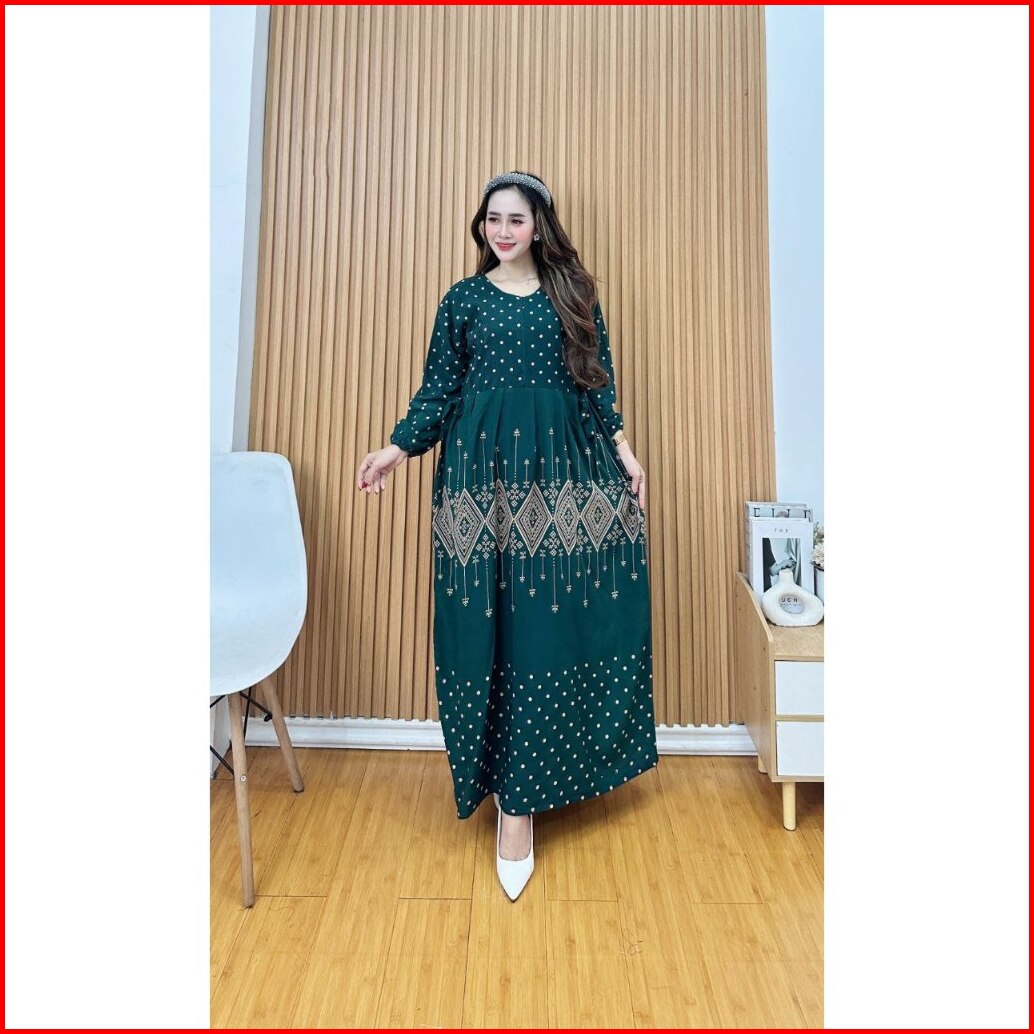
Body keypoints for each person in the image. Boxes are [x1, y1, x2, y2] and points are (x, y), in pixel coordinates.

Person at [356, 170, 658, 900]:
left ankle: (532, 791)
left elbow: (595, 378)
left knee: (552, 625)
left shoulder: (573, 294)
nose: (502, 231)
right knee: (487, 627)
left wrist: (623, 450)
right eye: (493, 218)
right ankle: (508, 804)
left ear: (539, 224)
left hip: (562, 472)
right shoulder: (462, 300)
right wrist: (397, 448)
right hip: (479, 476)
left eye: (516, 219)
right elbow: (440, 388)